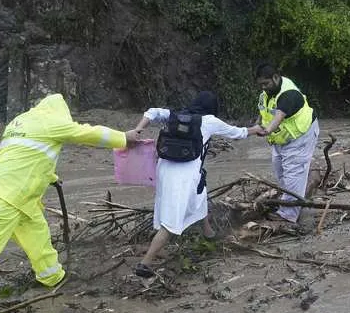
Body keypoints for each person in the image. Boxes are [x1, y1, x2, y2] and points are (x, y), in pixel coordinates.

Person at [0, 93, 140, 313]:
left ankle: (51, 277)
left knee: (38, 236)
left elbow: (27, 155)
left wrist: (50, 176)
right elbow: (86, 133)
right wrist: (123, 137)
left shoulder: (20, 121)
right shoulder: (51, 122)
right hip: (7, 196)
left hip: (16, 194)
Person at [131, 91, 265, 277]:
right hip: (185, 175)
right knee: (172, 221)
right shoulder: (209, 121)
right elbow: (237, 133)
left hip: (164, 169)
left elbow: (151, 112)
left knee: (199, 196)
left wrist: (137, 130)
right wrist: (256, 129)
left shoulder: (174, 115)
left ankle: (208, 233)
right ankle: (145, 264)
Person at [254, 63, 319, 225]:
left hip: (300, 136)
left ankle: (288, 215)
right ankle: (292, 201)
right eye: (260, 84)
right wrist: (257, 124)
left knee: (293, 174)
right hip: (281, 139)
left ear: (276, 77)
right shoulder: (267, 93)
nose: (263, 87)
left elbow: (278, 116)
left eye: (266, 83)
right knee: (279, 171)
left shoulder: (288, 94)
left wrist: (266, 130)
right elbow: (264, 111)